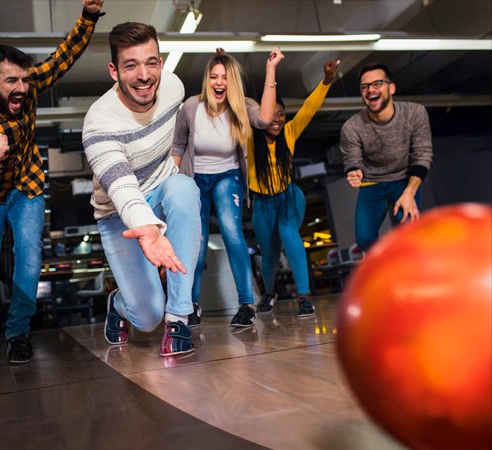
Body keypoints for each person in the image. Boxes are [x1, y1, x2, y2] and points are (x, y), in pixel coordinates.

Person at [0, 0, 106, 366]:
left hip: (26, 187)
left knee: (30, 258)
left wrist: (88, 16)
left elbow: (63, 56)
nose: (21, 88)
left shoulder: (28, 86)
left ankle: (17, 333)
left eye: (24, 79)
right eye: (11, 81)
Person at [81, 21, 199, 357]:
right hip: (119, 213)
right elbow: (122, 187)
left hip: (163, 189)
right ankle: (119, 303)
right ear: (114, 70)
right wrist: (146, 227)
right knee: (147, 318)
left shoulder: (174, 88)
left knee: (184, 189)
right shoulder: (99, 122)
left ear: (161, 64)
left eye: (151, 63)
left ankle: (179, 316)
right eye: (130, 65)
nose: (143, 75)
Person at [170, 48, 281, 328]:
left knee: (233, 234)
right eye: (214, 77)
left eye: (225, 78)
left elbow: (265, 119)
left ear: (232, 82)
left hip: (226, 176)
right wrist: (172, 185)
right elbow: (178, 146)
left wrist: (270, 69)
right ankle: (191, 305)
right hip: (194, 180)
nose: (219, 83)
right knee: (195, 243)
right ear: (206, 79)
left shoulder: (241, 107)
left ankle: (246, 305)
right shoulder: (191, 107)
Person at [250, 59, 340, 318]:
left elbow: (309, 108)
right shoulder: (248, 140)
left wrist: (326, 81)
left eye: (281, 114)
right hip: (262, 204)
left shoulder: (289, 132)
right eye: (271, 114)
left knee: (290, 236)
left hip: (288, 197)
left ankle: (304, 296)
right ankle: (269, 292)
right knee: (268, 256)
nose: (276, 119)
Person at [340, 64, 433, 251]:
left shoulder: (415, 113)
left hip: (404, 180)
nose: (370, 90)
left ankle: (412, 271)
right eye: (364, 87)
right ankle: (389, 262)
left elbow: (422, 155)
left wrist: (409, 193)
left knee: (411, 232)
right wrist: (354, 172)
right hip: (372, 183)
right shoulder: (351, 127)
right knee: (364, 239)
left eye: (376, 84)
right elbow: (352, 160)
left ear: (391, 88)